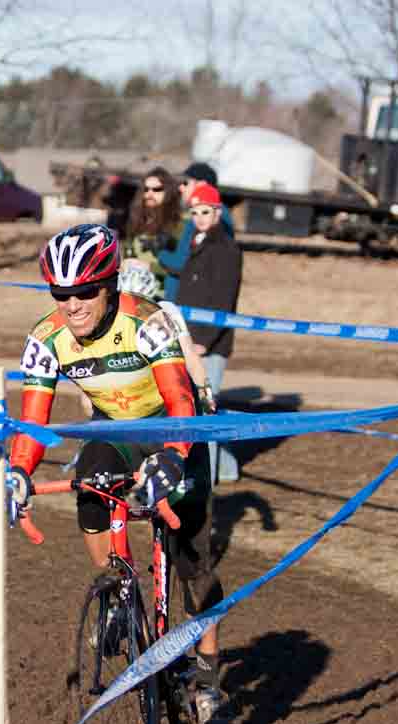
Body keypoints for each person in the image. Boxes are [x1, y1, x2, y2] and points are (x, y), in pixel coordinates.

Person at [6, 223, 229, 724]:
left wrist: (174, 456)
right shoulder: (46, 340)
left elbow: (181, 402)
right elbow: (34, 422)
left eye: (85, 291)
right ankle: (115, 588)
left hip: (174, 431)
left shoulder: (147, 323)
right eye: (61, 293)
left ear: (109, 286)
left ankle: (209, 675)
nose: (72, 304)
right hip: (119, 435)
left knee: (194, 567)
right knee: (91, 475)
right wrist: (19, 471)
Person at [179, 183, 243, 483]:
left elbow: (224, 299)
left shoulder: (227, 249)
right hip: (188, 338)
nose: (199, 217)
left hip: (209, 344)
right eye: (194, 212)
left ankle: (211, 476)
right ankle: (227, 468)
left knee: (207, 407)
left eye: (205, 211)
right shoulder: (196, 241)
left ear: (217, 212)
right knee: (199, 406)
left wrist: (203, 341)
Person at [117, 261, 217, 415]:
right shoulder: (165, 309)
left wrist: (205, 395)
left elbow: (190, 356)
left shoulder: (167, 310)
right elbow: (191, 357)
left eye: (145, 308)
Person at [157, 162, 236, 302]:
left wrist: (160, 251)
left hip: (191, 307)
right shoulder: (220, 214)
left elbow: (181, 264)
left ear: (202, 185)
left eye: (186, 183)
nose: (181, 187)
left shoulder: (206, 219)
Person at [121, 167, 184, 284]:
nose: (150, 194)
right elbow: (128, 252)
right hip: (134, 290)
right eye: (146, 189)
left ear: (168, 191)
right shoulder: (137, 220)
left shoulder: (178, 224)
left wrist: (150, 267)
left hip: (163, 296)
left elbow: (184, 267)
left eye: (157, 189)